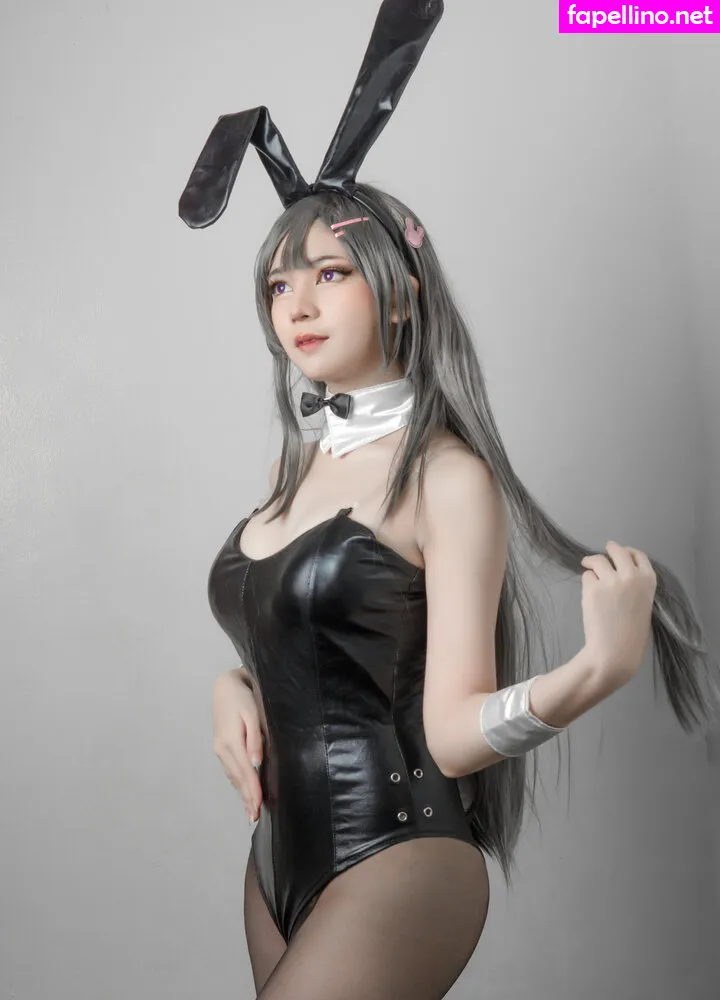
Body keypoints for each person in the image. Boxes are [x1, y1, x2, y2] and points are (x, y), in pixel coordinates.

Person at [183, 3, 719, 997]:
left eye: (329, 272)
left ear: (399, 289)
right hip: (272, 868)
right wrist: (232, 687)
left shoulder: (445, 476)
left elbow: (453, 734)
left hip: (400, 858)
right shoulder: (295, 475)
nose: (297, 304)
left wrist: (597, 669)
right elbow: (314, 648)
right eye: (279, 285)